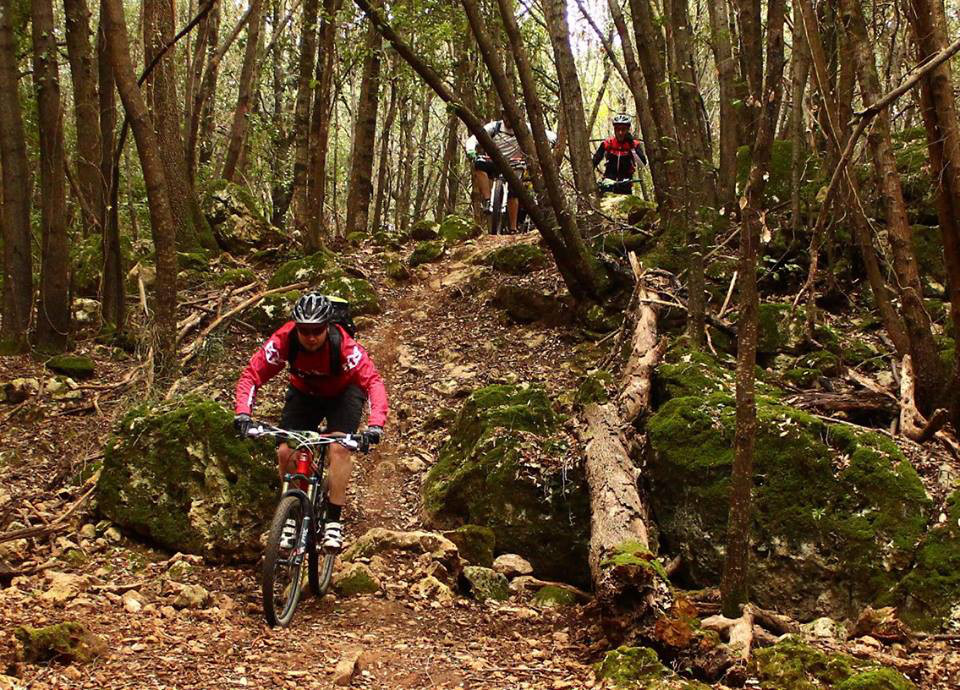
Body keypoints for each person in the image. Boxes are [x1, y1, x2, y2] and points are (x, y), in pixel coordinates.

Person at [233, 292, 389, 550]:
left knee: (340, 448)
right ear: (297, 327)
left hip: (344, 393)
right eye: (305, 330)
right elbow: (252, 374)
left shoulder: (344, 346)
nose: (311, 336)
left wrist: (375, 425)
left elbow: (373, 382)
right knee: (286, 451)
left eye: (318, 330)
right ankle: (293, 510)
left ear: (327, 326)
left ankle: (333, 522)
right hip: (304, 392)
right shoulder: (285, 339)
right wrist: (243, 414)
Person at [466, 111, 557, 232]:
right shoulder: (494, 127)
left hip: (515, 164)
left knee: (513, 192)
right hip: (495, 161)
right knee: (479, 165)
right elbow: (474, 138)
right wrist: (471, 149)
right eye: (506, 117)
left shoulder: (524, 128)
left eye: (511, 118)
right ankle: (488, 200)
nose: (508, 120)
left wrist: (551, 144)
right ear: (503, 116)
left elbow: (548, 135)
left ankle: (513, 228)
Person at [592, 114, 647, 195]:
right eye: (617, 129)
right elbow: (594, 162)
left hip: (625, 185)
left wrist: (632, 147)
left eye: (623, 129)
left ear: (628, 130)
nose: (620, 133)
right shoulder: (608, 143)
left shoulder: (634, 144)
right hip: (608, 184)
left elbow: (642, 164)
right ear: (614, 130)